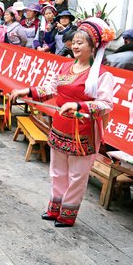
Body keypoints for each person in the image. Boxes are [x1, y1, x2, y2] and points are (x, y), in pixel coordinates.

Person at [11, 17, 115, 227]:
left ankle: (68, 214)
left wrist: (79, 106)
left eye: (81, 43)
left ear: (93, 46)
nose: (75, 46)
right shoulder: (65, 67)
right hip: (59, 126)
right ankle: (54, 207)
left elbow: (106, 104)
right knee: (57, 171)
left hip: (84, 132)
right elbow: (50, 89)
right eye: (74, 42)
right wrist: (27, 91)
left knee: (77, 175)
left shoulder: (102, 75)